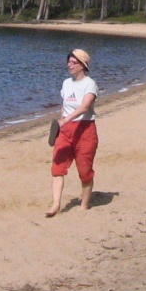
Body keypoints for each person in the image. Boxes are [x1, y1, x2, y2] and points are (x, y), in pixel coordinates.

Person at [47, 48, 98, 217]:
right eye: (68, 62)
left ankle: (84, 205)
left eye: (73, 62)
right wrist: (61, 122)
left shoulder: (90, 84)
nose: (70, 65)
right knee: (57, 167)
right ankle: (55, 204)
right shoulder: (66, 83)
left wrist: (65, 120)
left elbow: (85, 107)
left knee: (85, 171)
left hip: (85, 130)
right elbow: (64, 105)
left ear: (83, 65)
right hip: (65, 131)